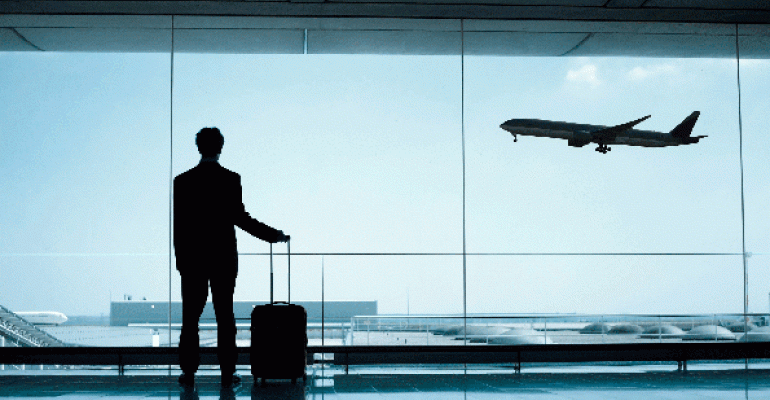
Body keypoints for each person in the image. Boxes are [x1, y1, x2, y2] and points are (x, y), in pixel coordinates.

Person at [174, 127, 289, 388]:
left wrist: (182, 262)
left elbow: (179, 226)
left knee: (190, 318)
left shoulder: (182, 181)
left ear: (198, 147)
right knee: (224, 316)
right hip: (223, 258)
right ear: (220, 147)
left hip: (192, 260)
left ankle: (189, 372)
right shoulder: (230, 179)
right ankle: (227, 372)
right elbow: (242, 219)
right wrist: (274, 236)